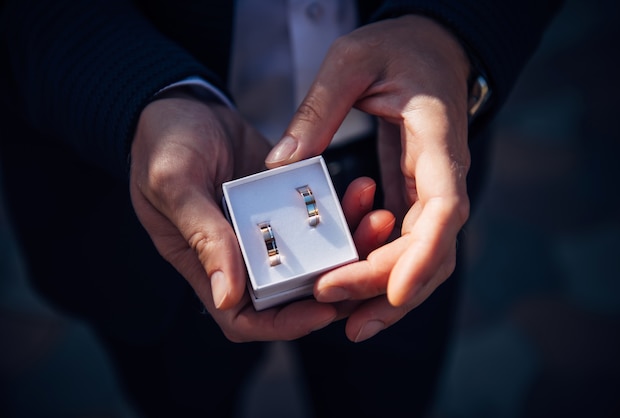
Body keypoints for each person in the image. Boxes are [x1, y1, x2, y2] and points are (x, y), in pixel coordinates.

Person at [0, 1, 562, 417]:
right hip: (138, 209)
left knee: (389, 390)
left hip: (401, 161)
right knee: (180, 396)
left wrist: (449, 31)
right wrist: (141, 94)